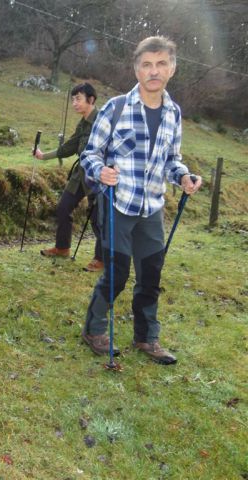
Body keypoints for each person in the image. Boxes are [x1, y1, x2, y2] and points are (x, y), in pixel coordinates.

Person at [80, 36, 202, 365]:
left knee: (151, 275)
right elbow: (90, 153)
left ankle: (146, 338)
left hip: (151, 209)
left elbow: (172, 161)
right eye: (147, 64)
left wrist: (184, 176)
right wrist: (100, 170)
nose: (154, 71)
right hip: (118, 205)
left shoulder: (174, 114)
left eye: (161, 63)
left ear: (172, 68)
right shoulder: (116, 108)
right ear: (136, 69)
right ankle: (94, 329)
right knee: (117, 275)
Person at [35, 83, 104, 272]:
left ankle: (101, 258)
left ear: (91, 100)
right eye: (73, 99)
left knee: (99, 217)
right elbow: (69, 147)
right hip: (80, 175)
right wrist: (43, 156)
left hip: (98, 177)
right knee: (64, 207)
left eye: (78, 98)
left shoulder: (102, 120)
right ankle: (62, 247)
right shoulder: (82, 123)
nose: (74, 103)